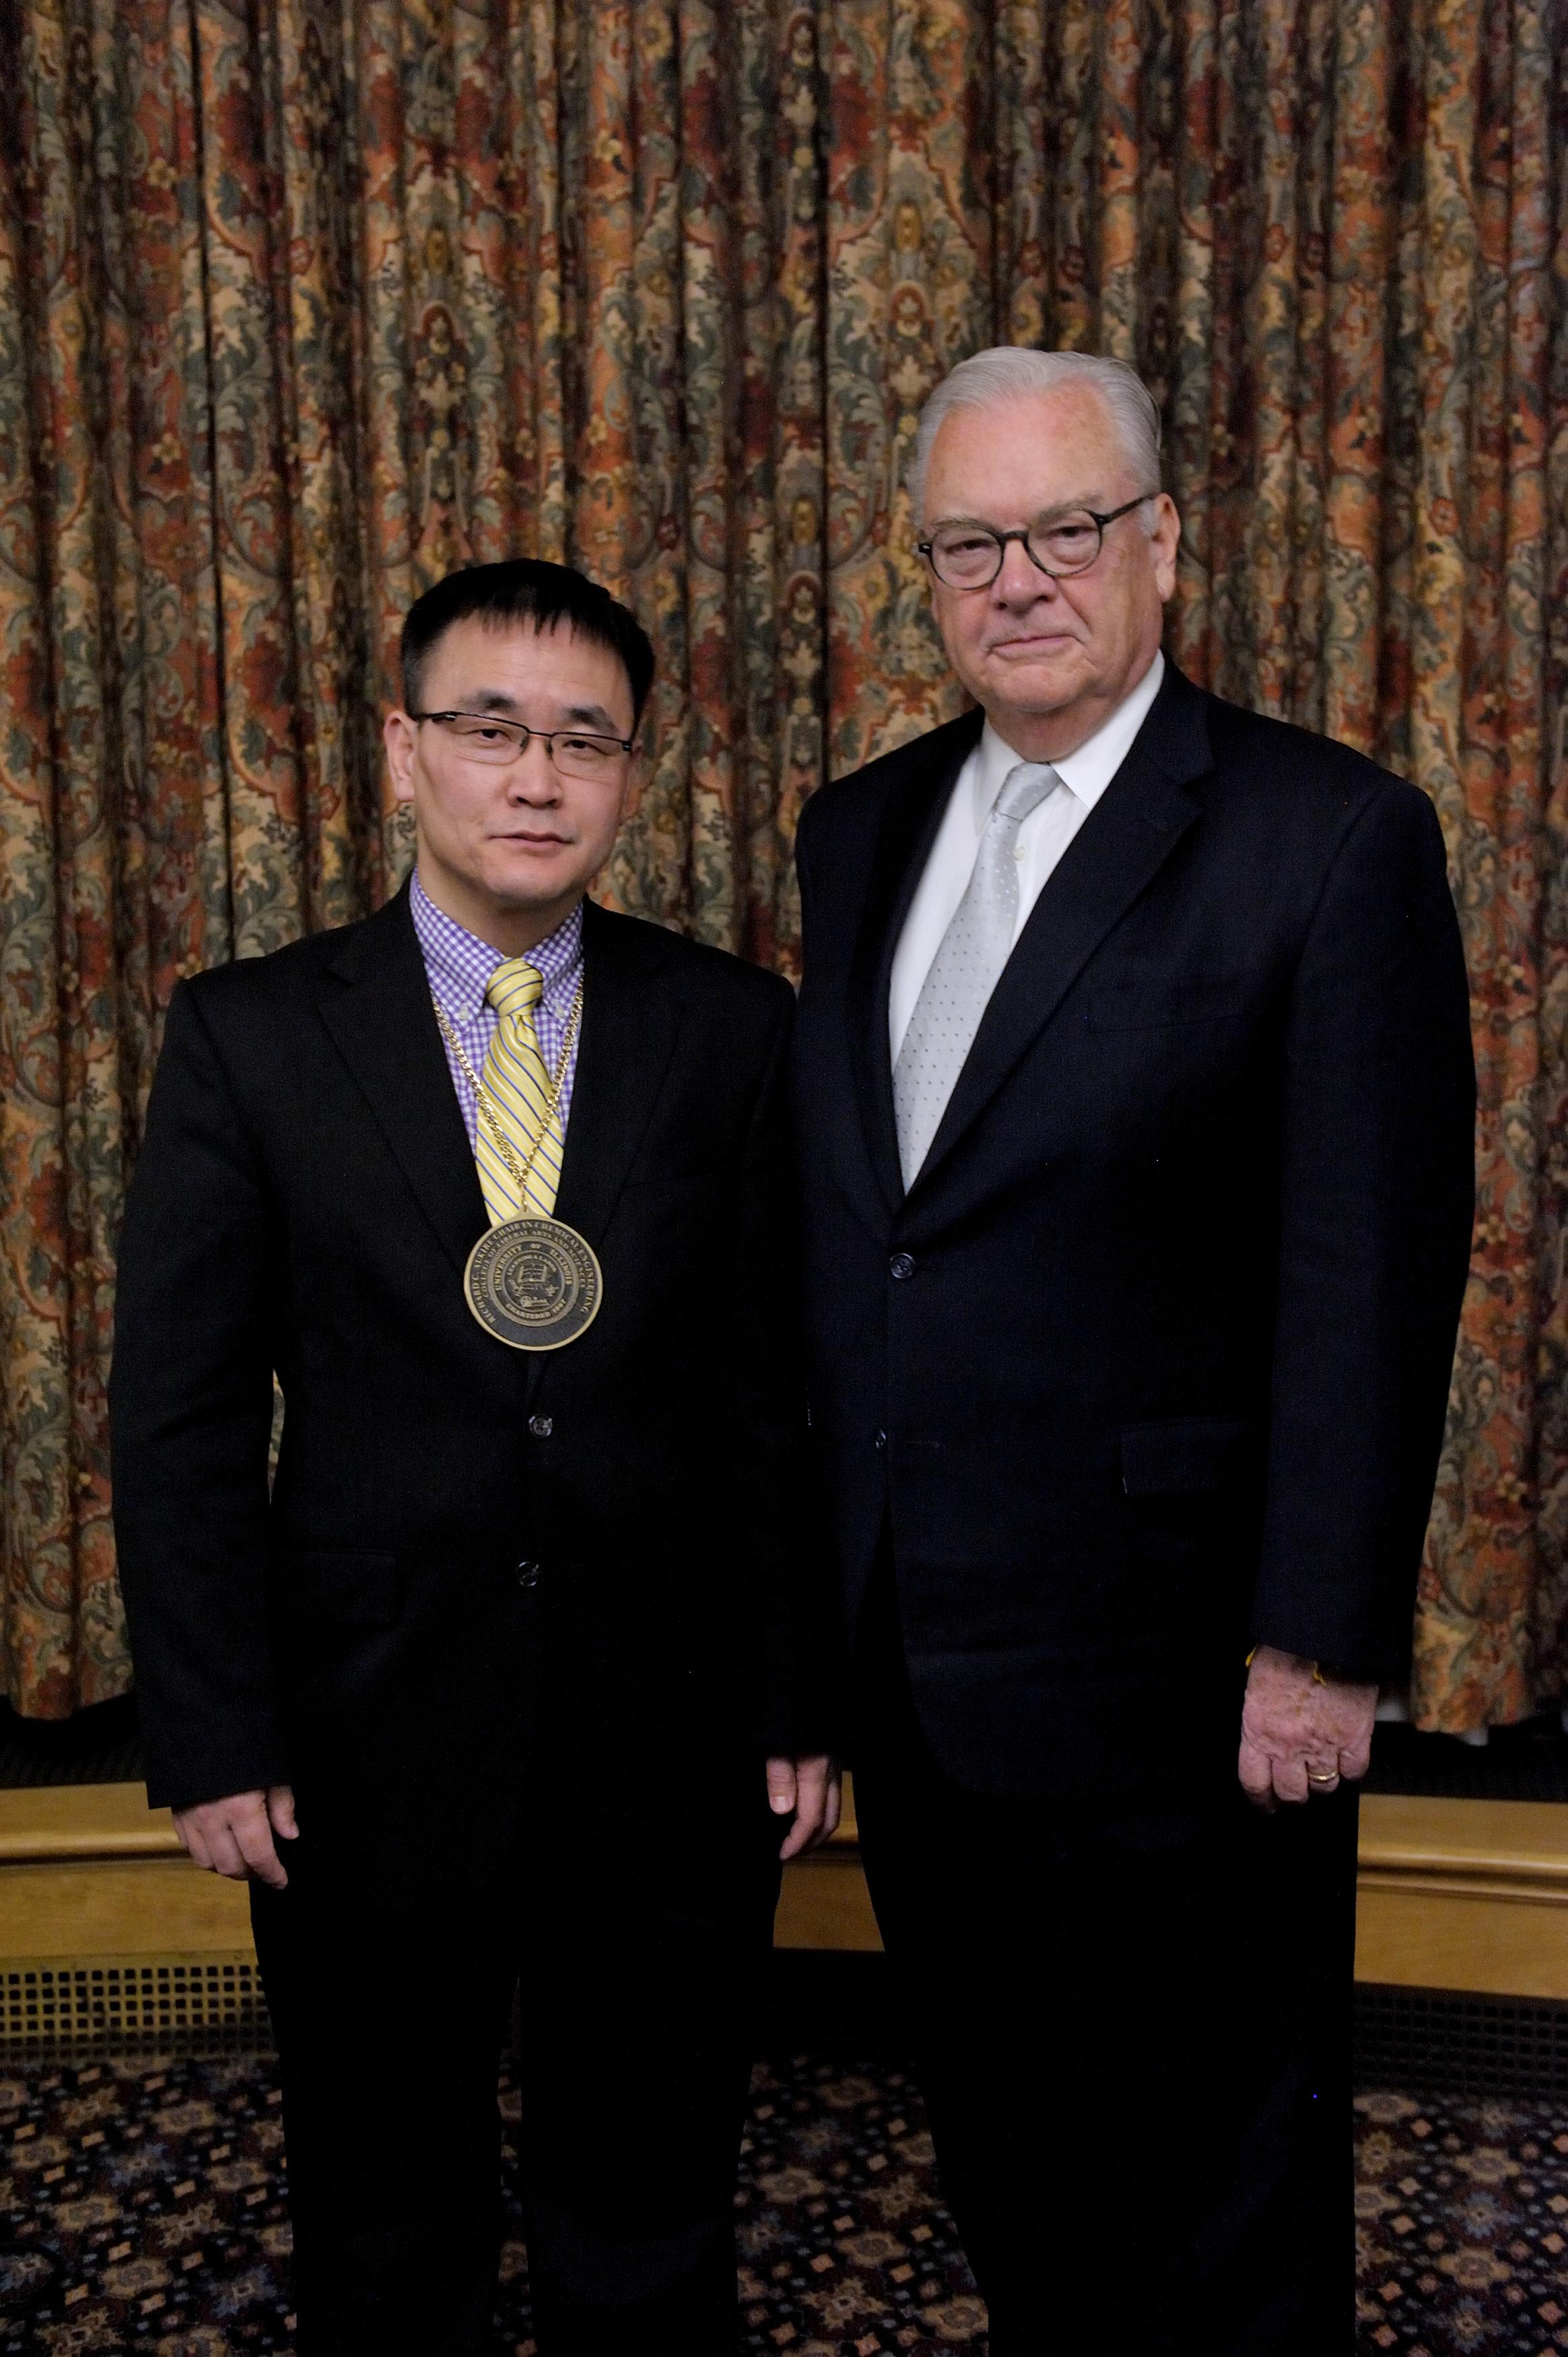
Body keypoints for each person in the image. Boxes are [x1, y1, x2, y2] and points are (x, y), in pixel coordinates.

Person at [790, 348, 1475, 2354]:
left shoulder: (1325, 837)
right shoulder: (858, 831)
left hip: (1187, 1679)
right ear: (925, 572)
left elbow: (1372, 1264)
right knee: (1009, 2161)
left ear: (1160, 542)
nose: (1019, 577)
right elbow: (863, 1249)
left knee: (1219, 2197)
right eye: (970, 541)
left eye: (1066, 527)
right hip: (917, 1664)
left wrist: (1318, 1643)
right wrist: (808, 1645)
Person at [110, 558, 839, 2357]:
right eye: (491, 729)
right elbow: (183, 1410)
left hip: (665, 1726)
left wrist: (795, 1696)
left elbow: (779, 1392)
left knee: (652, 2193)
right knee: (380, 2199)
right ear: (402, 750)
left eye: (583, 739)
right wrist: (215, 1730)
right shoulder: (253, 1034)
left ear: (631, 773)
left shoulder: (733, 1029)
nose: (536, 778)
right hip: (359, 1725)